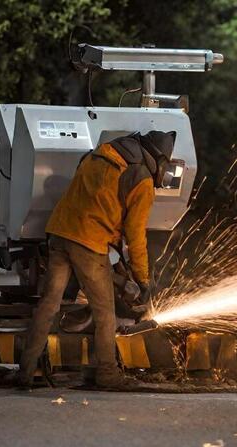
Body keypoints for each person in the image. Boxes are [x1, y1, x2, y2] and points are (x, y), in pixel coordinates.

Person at [16, 130, 176, 389]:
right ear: (159, 161)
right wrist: (143, 280)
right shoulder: (142, 180)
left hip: (59, 232)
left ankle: (25, 372)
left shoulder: (103, 153)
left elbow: (99, 204)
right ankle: (107, 374)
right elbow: (136, 237)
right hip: (87, 241)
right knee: (105, 313)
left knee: (48, 305)